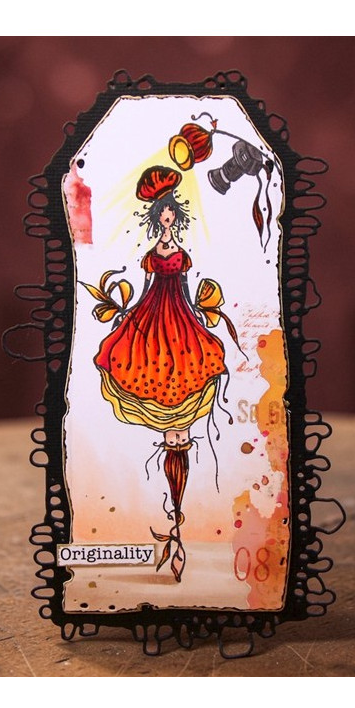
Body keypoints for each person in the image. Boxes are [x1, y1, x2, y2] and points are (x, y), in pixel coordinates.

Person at [92, 166, 228, 581]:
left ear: (175, 213)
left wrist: (198, 318)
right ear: (156, 216)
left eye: (170, 211)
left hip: (179, 311)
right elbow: (147, 286)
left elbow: (184, 288)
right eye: (162, 212)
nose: (167, 217)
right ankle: (174, 518)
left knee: (185, 364)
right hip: (153, 309)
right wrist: (128, 316)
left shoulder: (181, 253)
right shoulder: (153, 254)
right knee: (149, 360)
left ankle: (178, 517)